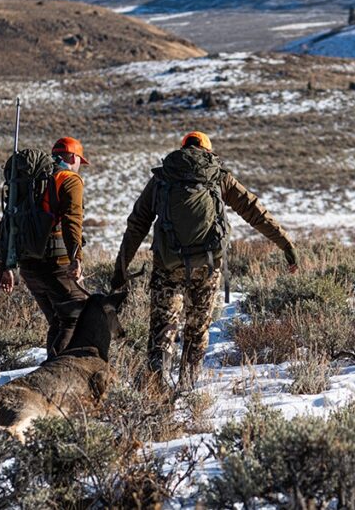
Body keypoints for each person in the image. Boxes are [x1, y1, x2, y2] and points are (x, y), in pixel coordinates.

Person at [111, 131, 297, 391]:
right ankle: (187, 387)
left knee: (163, 327)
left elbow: (137, 224)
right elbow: (254, 211)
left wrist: (121, 268)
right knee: (197, 328)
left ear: (183, 148)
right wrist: (286, 244)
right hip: (207, 265)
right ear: (208, 151)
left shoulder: (163, 178)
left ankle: (156, 385)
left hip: (168, 265)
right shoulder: (218, 176)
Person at [0, 136, 89, 358]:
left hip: (28, 265)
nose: (80, 167)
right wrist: (76, 257)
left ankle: (54, 371)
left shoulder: (29, 182)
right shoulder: (68, 179)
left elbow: (6, 223)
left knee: (59, 320)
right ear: (73, 156)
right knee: (76, 316)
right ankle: (54, 372)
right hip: (56, 263)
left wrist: (5, 266)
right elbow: (72, 220)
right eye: (80, 161)